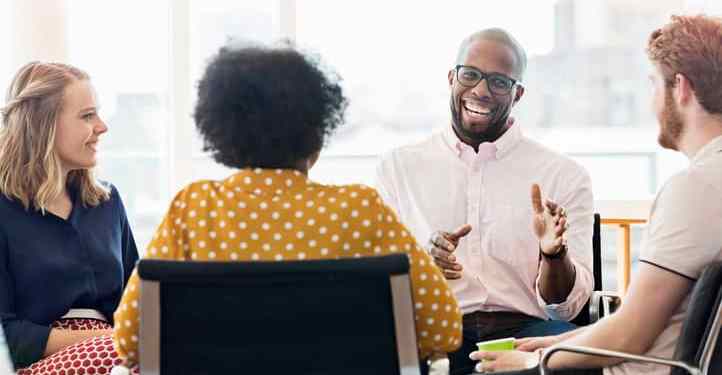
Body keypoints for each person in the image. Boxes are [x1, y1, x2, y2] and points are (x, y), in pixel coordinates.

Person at [112, 43, 462, 371]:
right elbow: (443, 327)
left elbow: (129, 339)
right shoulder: (361, 209)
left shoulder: (193, 208)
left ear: (224, 133)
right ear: (316, 133)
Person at [470, 14, 722, 375]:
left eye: (653, 85)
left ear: (680, 88)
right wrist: (556, 343)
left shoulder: (695, 189)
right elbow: (643, 323)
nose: (652, 104)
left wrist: (537, 360)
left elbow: (628, 336)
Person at [375, 28, 595, 374]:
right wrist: (424, 261)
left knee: (573, 360)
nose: (481, 90)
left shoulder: (564, 175)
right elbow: (383, 282)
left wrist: (554, 254)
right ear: (452, 78)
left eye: (498, 81)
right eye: (471, 75)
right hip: (434, 331)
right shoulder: (398, 167)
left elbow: (565, 310)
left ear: (517, 93)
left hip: (526, 333)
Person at [0, 62, 139, 374]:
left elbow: (136, 302)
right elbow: (6, 332)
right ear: (42, 124)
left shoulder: (108, 201)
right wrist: (106, 339)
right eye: (87, 115)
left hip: (116, 357)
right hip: (41, 363)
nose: (102, 126)